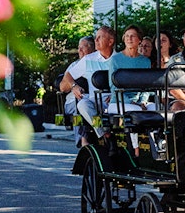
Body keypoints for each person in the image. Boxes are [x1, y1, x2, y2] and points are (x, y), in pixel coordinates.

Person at [59, 26, 116, 147]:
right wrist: (74, 86)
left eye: (100, 37)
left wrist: (115, 95)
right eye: (96, 37)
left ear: (110, 42)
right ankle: (103, 133)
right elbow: (68, 75)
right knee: (82, 104)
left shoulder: (120, 59)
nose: (96, 40)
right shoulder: (88, 59)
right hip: (95, 103)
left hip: (115, 102)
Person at [107, 25, 153, 157]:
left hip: (138, 101)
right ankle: (136, 150)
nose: (129, 38)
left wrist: (142, 101)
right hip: (119, 101)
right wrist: (132, 102)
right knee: (136, 111)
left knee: (157, 109)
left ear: (139, 40)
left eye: (132, 36)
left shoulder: (145, 61)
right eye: (127, 36)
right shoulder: (116, 60)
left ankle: (156, 144)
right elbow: (113, 86)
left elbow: (147, 85)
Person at [62, 36, 95, 146]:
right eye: (78, 48)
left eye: (83, 48)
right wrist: (74, 85)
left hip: (95, 99)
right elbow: (62, 86)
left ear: (93, 49)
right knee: (81, 103)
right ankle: (83, 142)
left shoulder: (99, 62)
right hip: (73, 102)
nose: (79, 50)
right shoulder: (74, 65)